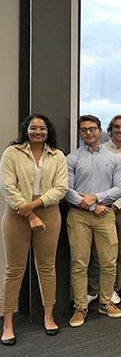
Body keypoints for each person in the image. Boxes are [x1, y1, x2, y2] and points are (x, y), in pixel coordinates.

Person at [0, 114, 68, 345]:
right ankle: (7, 322)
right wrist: (28, 213)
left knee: (47, 267)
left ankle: (49, 316)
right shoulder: (12, 153)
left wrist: (35, 206)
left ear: (48, 131)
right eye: (33, 128)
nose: (38, 131)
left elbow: (61, 188)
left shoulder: (57, 155)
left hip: (48, 211)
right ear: (26, 130)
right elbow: (7, 186)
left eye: (42, 128)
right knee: (14, 269)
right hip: (17, 213)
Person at [65, 115, 121, 327]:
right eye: (84, 130)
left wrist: (97, 198)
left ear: (100, 131)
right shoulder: (72, 158)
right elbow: (66, 191)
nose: (88, 133)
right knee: (80, 262)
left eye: (92, 129)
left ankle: (105, 302)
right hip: (79, 215)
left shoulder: (114, 158)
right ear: (80, 133)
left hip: (105, 214)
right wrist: (91, 205)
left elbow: (120, 188)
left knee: (109, 261)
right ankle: (80, 306)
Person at [88, 115, 121, 305]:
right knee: (96, 249)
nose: (120, 130)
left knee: (117, 250)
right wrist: (101, 203)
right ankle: (93, 289)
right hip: (99, 206)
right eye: (116, 127)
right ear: (110, 129)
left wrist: (117, 205)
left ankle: (113, 289)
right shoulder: (99, 150)